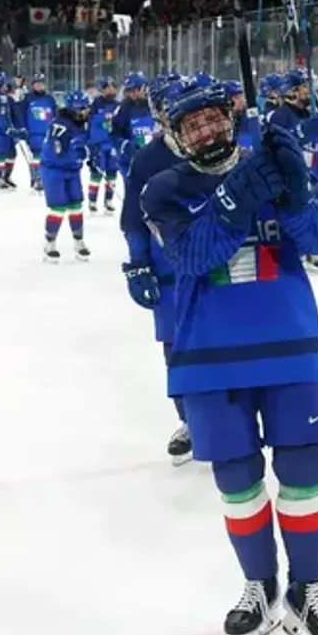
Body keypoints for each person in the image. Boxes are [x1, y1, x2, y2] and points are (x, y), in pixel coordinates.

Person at [140, 80, 318, 635]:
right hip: (210, 360)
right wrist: (236, 199)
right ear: (176, 137)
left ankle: (307, 589)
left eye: (212, 118)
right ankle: (260, 584)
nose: (206, 131)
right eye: (192, 126)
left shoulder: (273, 165)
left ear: (230, 118)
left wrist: (298, 191)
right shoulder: (163, 190)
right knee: (237, 481)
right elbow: (193, 256)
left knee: (302, 472)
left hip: (291, 347)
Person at [120, 73, 192, 464]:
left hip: (223, 266)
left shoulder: (221, 145)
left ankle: (235, 415)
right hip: (170, 270)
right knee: (176, 348)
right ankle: (190, 419)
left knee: (228, 340)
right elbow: (134, 219)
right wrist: (138, 264)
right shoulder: (148, 160)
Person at [267, 68, 318, 272]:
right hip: (286, 183)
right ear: (291, 91)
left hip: (312, 180)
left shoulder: (314, 116)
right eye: (305, 87)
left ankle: (312, 252)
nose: (311, 91)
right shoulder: (279, 116)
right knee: (288, 225)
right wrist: (307, 130)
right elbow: (277, 147)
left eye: (312, 86)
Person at [39, 90, 94, 262]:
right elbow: (57, 150)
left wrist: (88, 155)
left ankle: (78, 242)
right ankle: (49, 244)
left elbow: (83, 145)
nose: (85, 111)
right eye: (81, 108)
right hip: (54, 170)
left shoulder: (80, 123)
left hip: (72, 170)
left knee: (76, 204)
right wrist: (76, 152)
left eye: (86, 108)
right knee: (58, 207)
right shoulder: (59, 124)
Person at [14, 73, 57, 191]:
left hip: (48, 133)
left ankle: (41, 178)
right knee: (37, 155)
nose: (39, 86)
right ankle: (37, 178)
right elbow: (20, 115)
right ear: (33, 85)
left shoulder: (50, 99)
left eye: (41, 83)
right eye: (37, 84)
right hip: (33, 134)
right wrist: (22, 129)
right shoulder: (27, 99)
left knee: (47, 157)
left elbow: (55, 116)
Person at [88, 76, 122, 212]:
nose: (111, 90)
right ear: (102, 90)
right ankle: (92, 200)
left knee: (112, 173)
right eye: (107, 88)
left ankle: (109, 200)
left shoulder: (119, 105)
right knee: (96, 173)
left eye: (113, 87)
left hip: (113, 144)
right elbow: (91, 123)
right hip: (99, 144)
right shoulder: (95, 104)